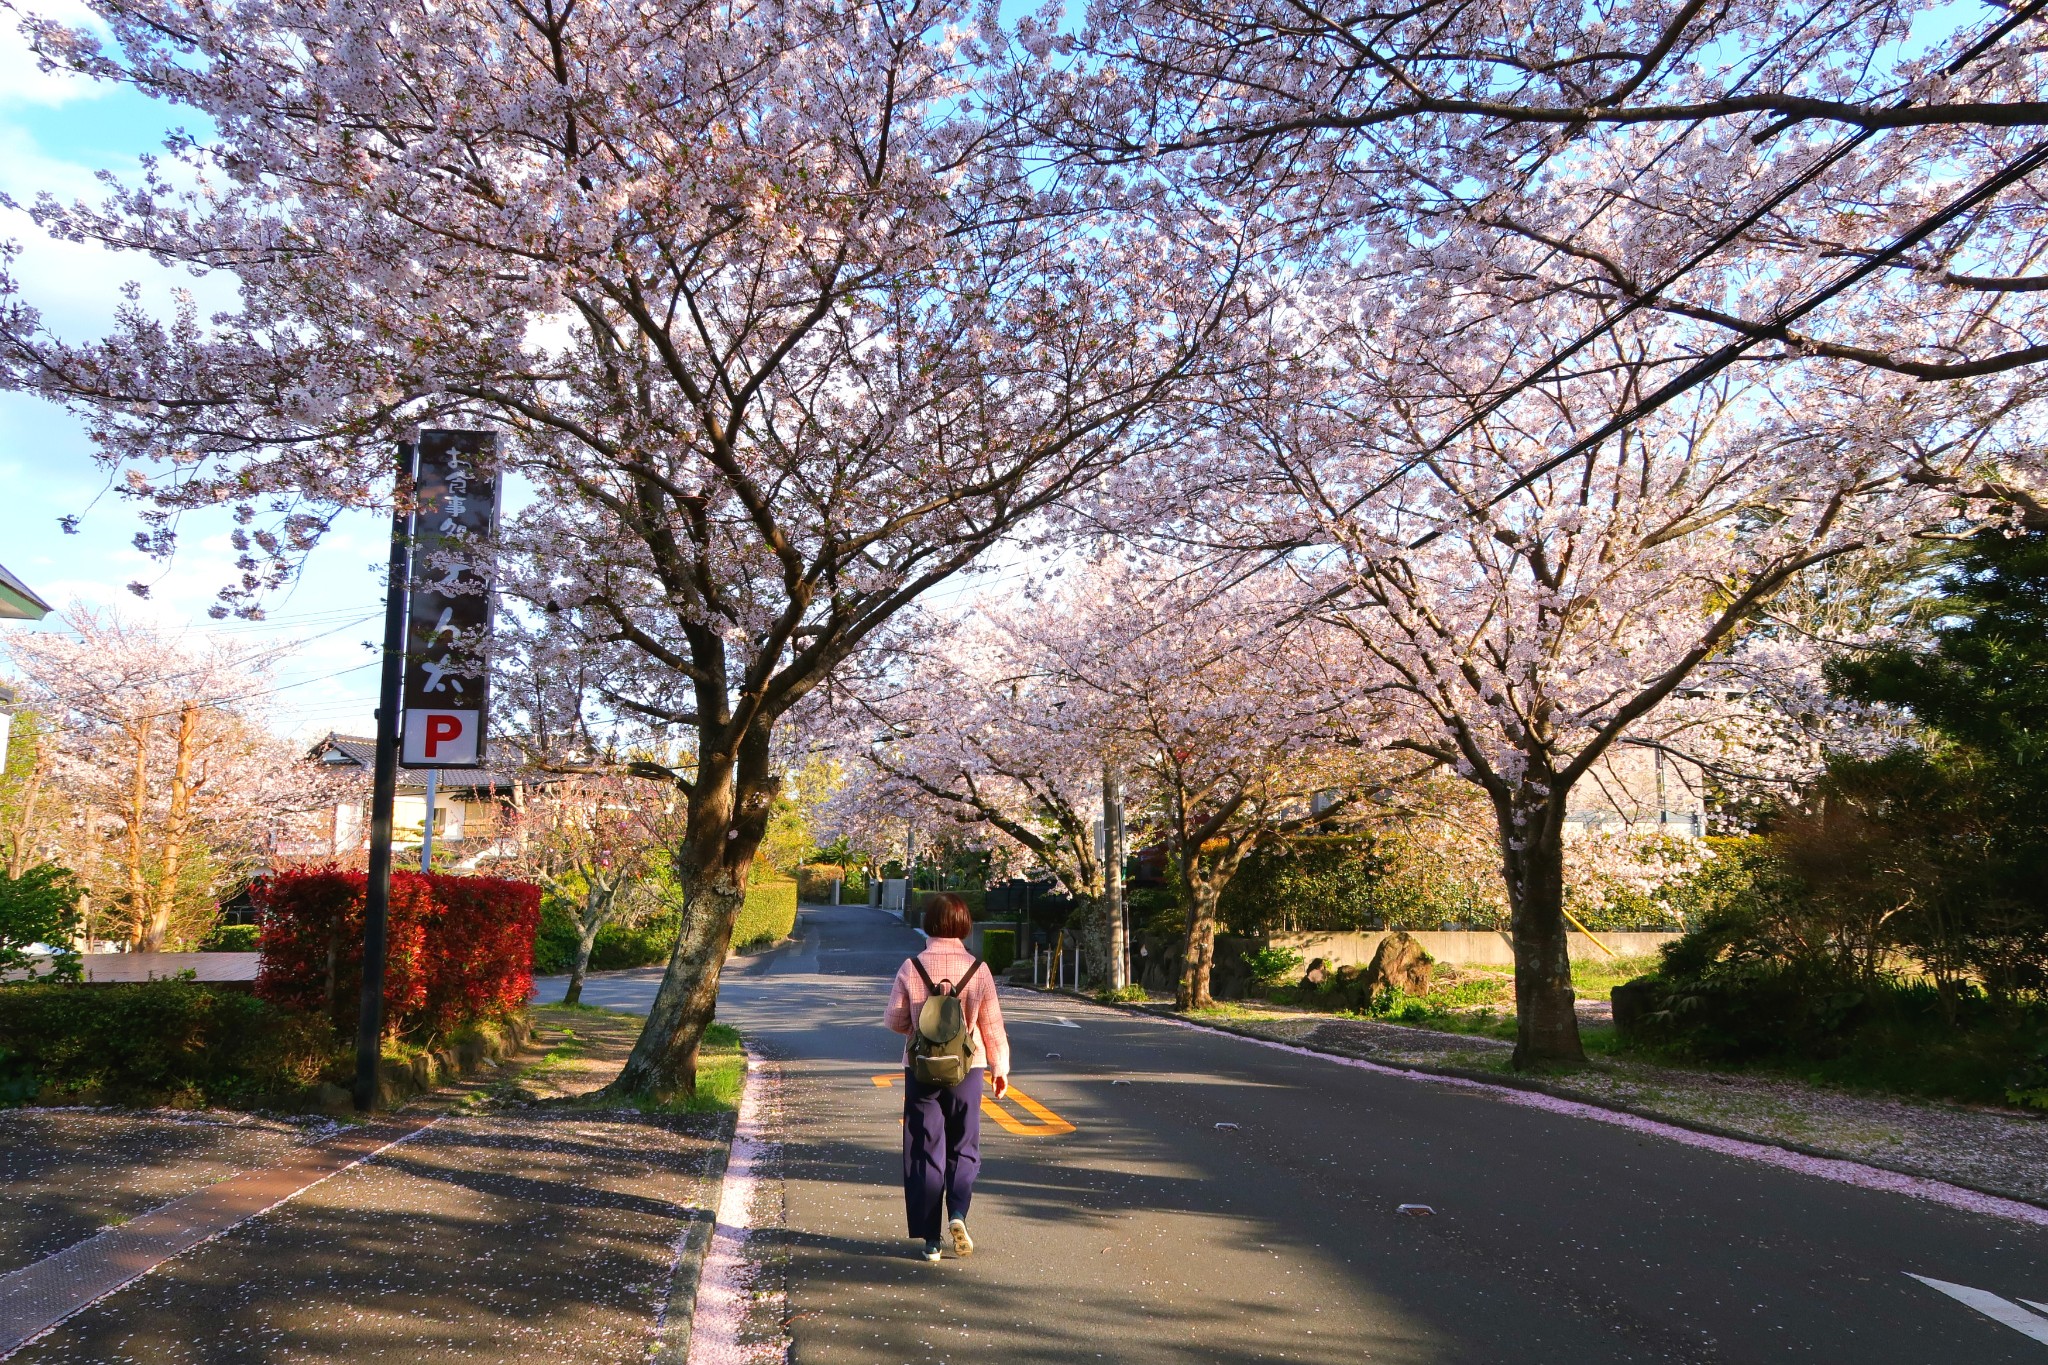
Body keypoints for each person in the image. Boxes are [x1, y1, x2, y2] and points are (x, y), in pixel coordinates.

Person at [883, 892, 1010, 1262]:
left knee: (924, 1148)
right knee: (964, 1146)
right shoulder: (978, 969)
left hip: (921, 1067)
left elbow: (894, 1020)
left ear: (929, 924)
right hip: (968, 1069)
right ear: (964, 926)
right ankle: (958, 1212)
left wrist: (920, 1026)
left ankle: (930, 1240)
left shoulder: (912, 967)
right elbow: (993, 1026)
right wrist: (1000, 1066)